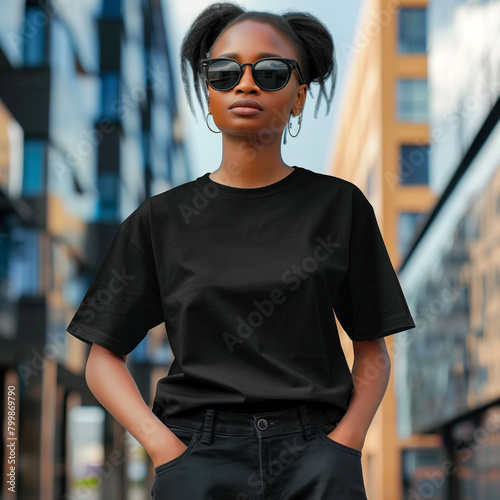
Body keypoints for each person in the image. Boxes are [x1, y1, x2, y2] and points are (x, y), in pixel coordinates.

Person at [66, 2, 416, 499]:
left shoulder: (339, 206)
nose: (246, 84)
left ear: (299, 96)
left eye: (271, 72)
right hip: (196, 458)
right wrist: (166, 451)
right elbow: (102, 359)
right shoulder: (160, 219)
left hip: (316, 456)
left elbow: (372, 349)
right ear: (208, 90)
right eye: (225, 72)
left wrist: (345, 445)